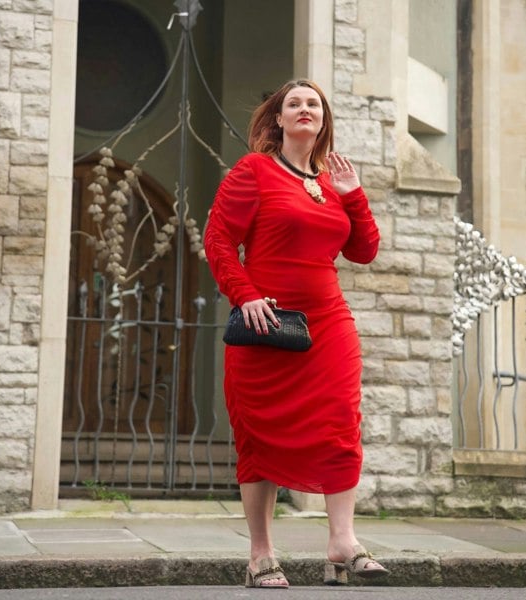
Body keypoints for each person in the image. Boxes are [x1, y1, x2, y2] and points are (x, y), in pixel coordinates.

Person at [203, 79, 389, 588]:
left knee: (340, 421)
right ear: (278, 120)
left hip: (328, 321)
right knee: (258, 438)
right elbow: (218, 238)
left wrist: (353, 197)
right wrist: (245, 295)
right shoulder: (254, 171)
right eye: (294, 104)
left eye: (314, 104)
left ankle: (342, 542)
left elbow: (364, 251)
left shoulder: (333, 182)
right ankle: (261, 555)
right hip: (269, 324)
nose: (305, 109)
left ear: (323, 120)